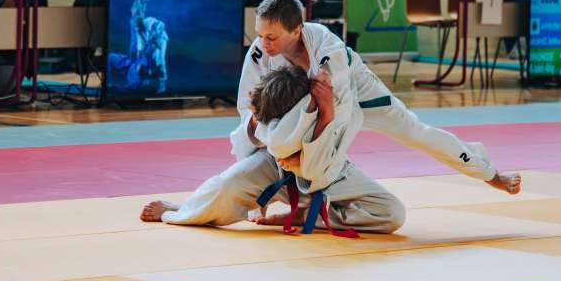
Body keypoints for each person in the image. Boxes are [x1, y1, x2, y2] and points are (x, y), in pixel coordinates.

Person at [234, 0, 521, 194]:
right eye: (259, 34)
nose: (263, 43)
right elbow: (247, 106)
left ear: (296, 30)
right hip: (314, 104)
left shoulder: (326, 49)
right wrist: (271, 140)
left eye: (271, 37)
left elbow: (341, 116)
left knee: (416, 133)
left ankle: (489, 173)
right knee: (251, 138)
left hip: (359, 95)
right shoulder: (261, 53)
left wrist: (307, 162)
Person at [141, 64, 406, 235]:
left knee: (391, 214)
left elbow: (319, 158)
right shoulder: (268, 92)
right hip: (273, 170)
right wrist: (267, 131)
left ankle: (306, 217)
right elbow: (260, 137)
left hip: (326, 169)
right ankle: (179, 208)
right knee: (225, 187)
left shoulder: (321, 86)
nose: (267, 43)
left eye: (272, 37)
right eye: (264, 37)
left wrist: (325, 114)